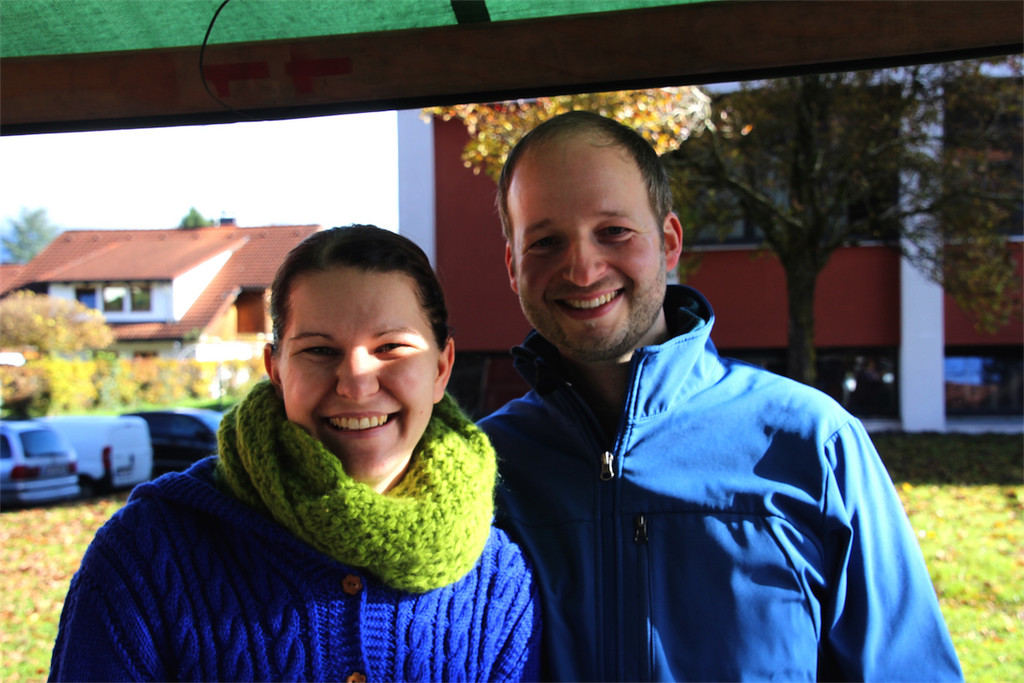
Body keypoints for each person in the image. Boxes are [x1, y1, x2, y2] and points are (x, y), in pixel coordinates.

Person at [478, 111, 962, 681]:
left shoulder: (813, 443)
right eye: (545, 241)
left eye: (614, 231)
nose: (583, 269)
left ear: (668, 243)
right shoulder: (481, 470)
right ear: (512, 266)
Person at [50, 225, 541, 682]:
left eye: (391, 347)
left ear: (441, 368)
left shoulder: (499, 583)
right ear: (276, 370)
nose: (356, 384)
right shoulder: (145, 557)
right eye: (319, 350)